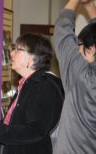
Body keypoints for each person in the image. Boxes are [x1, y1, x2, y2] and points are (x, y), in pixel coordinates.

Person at [0, 33, 64, 154]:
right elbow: (16, 124)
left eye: (18, 49)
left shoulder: (45, 86)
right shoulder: (27, 84)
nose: (12, 53)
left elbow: (36, 130)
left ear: (31, 58)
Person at [52, 0, 96, 153]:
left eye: (79, 45)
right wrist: (90, 6)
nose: (77, 50)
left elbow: (62, 33)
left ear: (90, 49)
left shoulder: (83, 77)